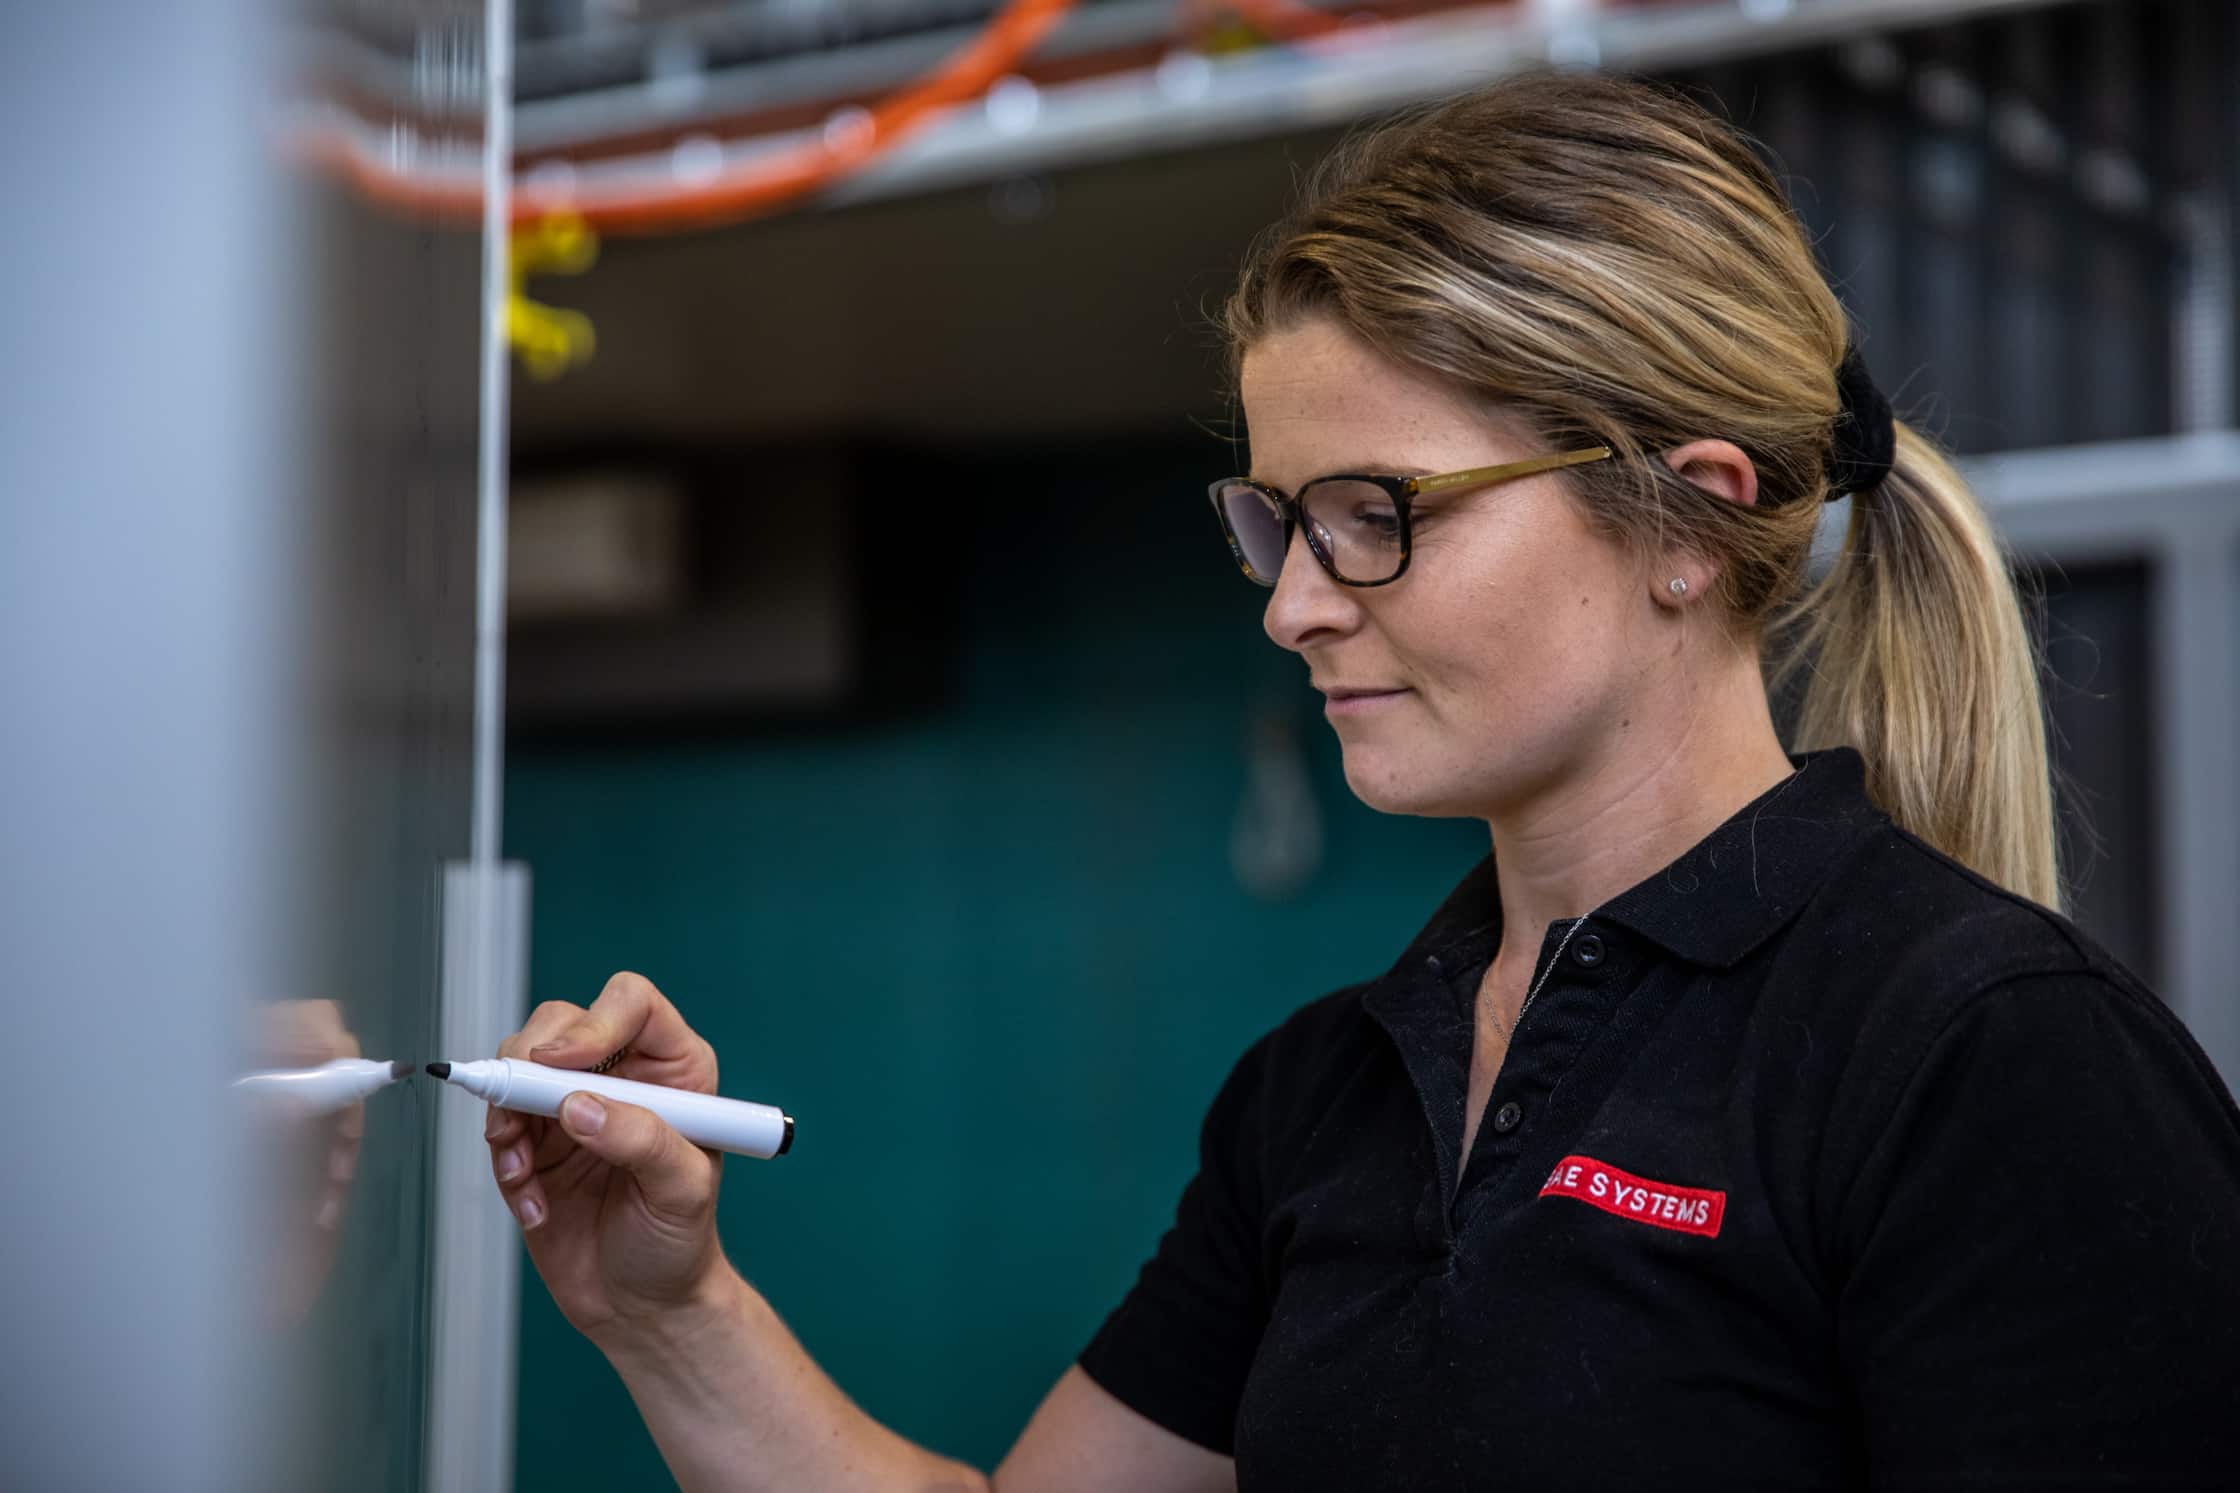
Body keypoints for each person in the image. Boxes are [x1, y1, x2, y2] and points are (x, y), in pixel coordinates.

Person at [480, 71, 2240, 1490]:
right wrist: (672, 1306)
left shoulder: (1986, 1056)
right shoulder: (1327, 1087)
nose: (1298, 604)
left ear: (1692, 515)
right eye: (1276, 521)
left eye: (1376, 515)